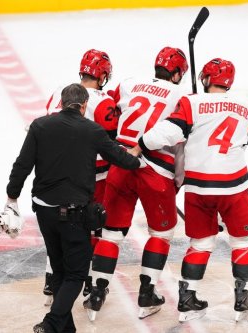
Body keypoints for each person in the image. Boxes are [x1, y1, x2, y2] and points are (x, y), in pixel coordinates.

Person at [4, 83, 141, 333]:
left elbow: (22, 165)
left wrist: (11, 197)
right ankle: (52, 324)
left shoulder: (39, 126)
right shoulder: (93, 131)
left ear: (62, 102)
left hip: (44, 211)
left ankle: (66, 328)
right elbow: (123, 160)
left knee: (59, 270)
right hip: (73, 214)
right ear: (85, 105)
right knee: (76, 274)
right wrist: (139, 151)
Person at [133, 58, 248, 322]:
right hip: (234, 185)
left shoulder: (191, 103)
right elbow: (243, 141)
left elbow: (166, 133)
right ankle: (242, 296)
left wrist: (141, 143)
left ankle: (188, 297)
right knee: (243, 241)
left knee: (200, 242)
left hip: (199, 187)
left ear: (207, 79)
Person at [85, 46, 189, 321]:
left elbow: (110, 107)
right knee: (161, 233)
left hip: (121, 162)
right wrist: (178, 182)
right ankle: (147, 293)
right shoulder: (184, 98)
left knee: (111, 233)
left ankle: (96, 294)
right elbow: (182, 149)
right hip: (157, 171)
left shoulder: (130, 84)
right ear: (178, 74)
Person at [43, 49, 119, 306]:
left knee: (58, 221)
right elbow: (109, 140)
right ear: (103, 75)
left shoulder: (59, 91)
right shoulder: (103, 100)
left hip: (53, 170)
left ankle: (52, 278)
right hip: (90, 174)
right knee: (91, 223)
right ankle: (87, 280)